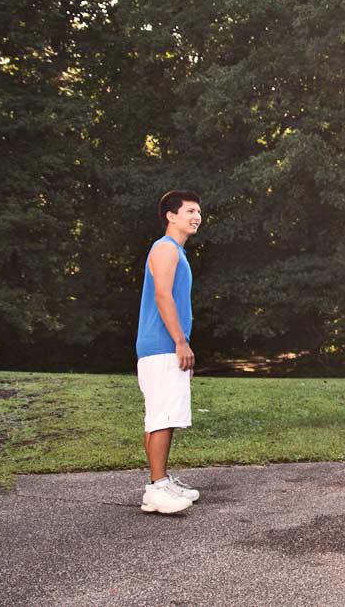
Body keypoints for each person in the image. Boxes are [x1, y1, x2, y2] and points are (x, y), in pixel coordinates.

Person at [136, 190, 203, 515]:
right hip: (163, 346)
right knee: (162, 417)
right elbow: (163, 296)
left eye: (198, 212)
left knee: (162, 417)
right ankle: (158, 486)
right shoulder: (165, 249)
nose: (197, 217)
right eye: (190, 210)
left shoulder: (174, 250)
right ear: (170, 216)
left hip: (160, 347)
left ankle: (159, 485)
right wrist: (180, 341)